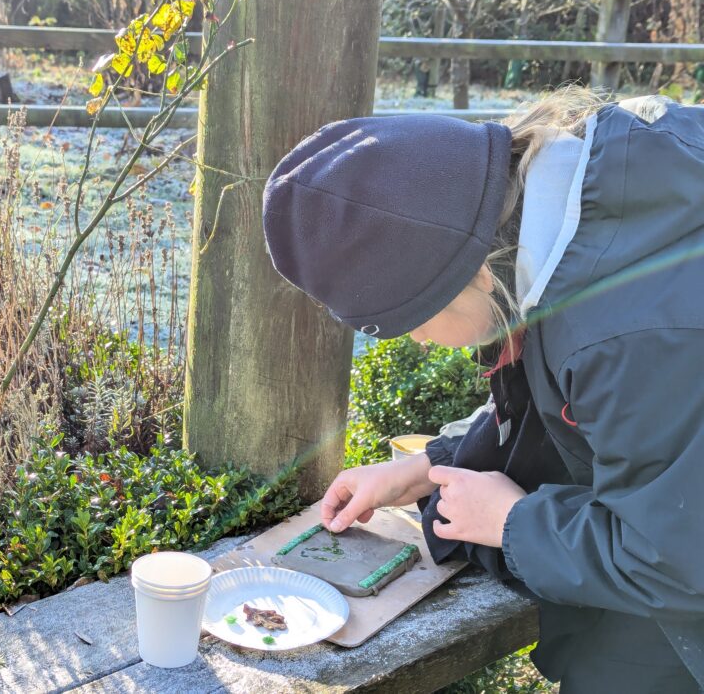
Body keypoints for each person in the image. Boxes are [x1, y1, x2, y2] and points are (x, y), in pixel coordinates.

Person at [261, 87, 704, 692]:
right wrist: (427, 466)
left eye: (412, 319)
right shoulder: (571, 211)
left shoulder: (622, 333)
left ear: (470, 273)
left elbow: (679, 559)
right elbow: (584, 407)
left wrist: (515, 523)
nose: (417, 341)